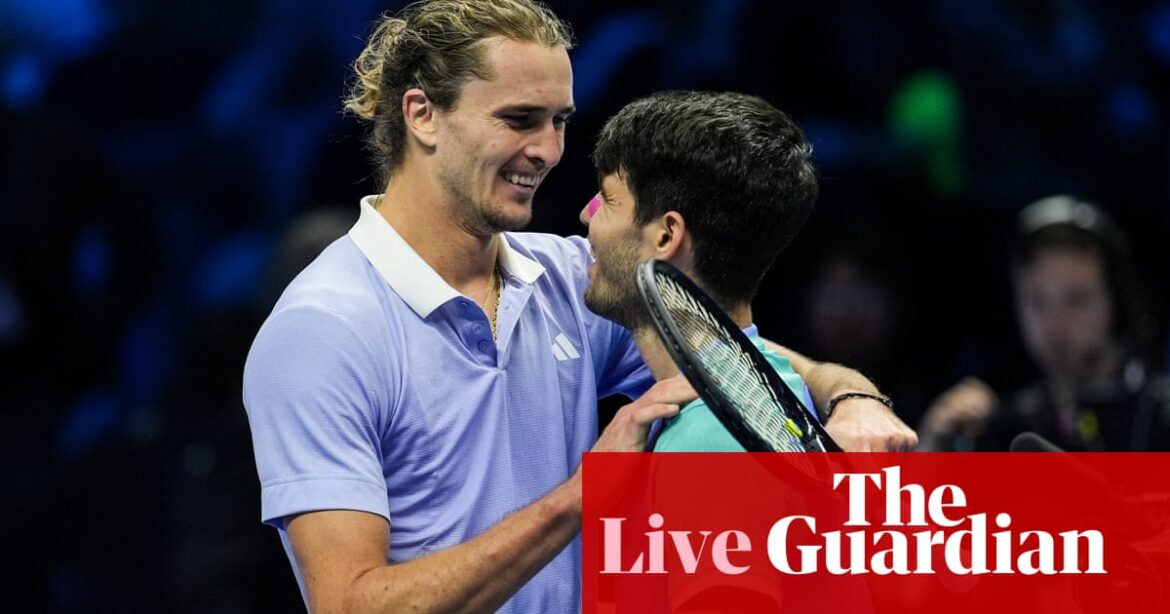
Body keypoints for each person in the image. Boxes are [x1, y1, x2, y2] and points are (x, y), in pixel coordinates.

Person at [243, 1, 914, 611]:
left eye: (559, 120)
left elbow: (747, 367)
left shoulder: (571, 278)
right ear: (422, 115)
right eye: (519, 119)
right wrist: (580, 498)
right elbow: (349, 605)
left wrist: (855, 400)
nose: (548, 151)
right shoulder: (322, 330)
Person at [578, 90, 917, 453]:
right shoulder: (773, 384)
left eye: (608, 200)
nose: (587, 214)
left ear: (666, 235)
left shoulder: (704, 442)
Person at [918, 195, 1170, 451]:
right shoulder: (1000, 425)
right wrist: (929, 456)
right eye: (1036, 301)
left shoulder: (1158, 416)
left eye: (1076, 300)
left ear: (1117, 303)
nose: (1055, 324)